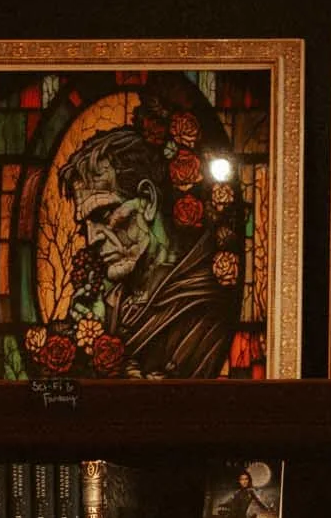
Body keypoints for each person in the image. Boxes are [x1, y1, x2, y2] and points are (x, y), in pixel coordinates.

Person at [57, 125, 240, 377]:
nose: (91, 239)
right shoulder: (109, 304)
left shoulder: (203, 312)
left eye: (104, 214)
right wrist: (93, 332)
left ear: (148, 200)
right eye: (84, 226)